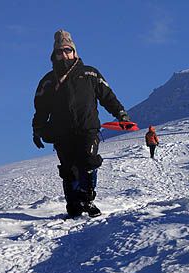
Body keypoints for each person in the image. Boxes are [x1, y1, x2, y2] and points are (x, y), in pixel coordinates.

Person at [32, 29, 130, 218]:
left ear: (75, 52)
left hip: (88, 128)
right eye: (59, 52)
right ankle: (74, 203)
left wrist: (120, 114)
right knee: (69, 169)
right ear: (54, 55)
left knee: (88, 161)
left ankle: (87, 198)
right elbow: (41, 109)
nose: (64, 55)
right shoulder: (48, 81)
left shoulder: (90, 74)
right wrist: (37, 130)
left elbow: (107, 96)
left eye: (67, 50)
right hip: (61, 132)